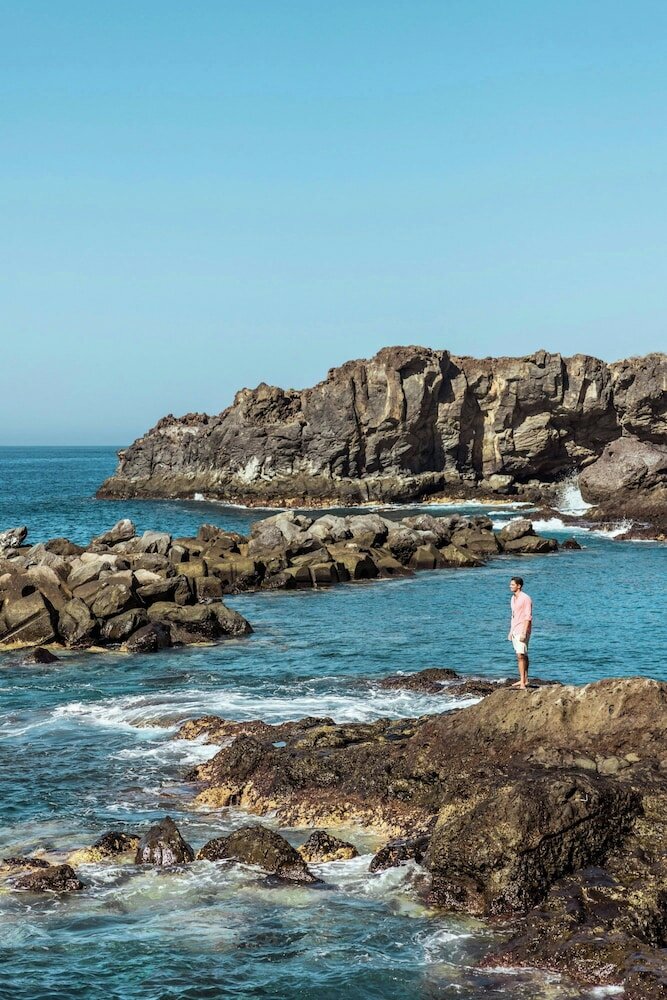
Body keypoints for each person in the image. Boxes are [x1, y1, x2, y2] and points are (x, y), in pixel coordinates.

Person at [508, 576, 532, 689]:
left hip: (523, 630)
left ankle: (523, 682)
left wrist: (524, 632)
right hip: (515, 630)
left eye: (512, 585)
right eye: (510, 584)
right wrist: (510, 631)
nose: (510, 586)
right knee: (522, 655)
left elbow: (528, 617)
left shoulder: (526, 598)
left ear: (519, 586)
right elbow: (513, 616)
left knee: (520, 655)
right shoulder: (513, 598)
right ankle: (525, 679)